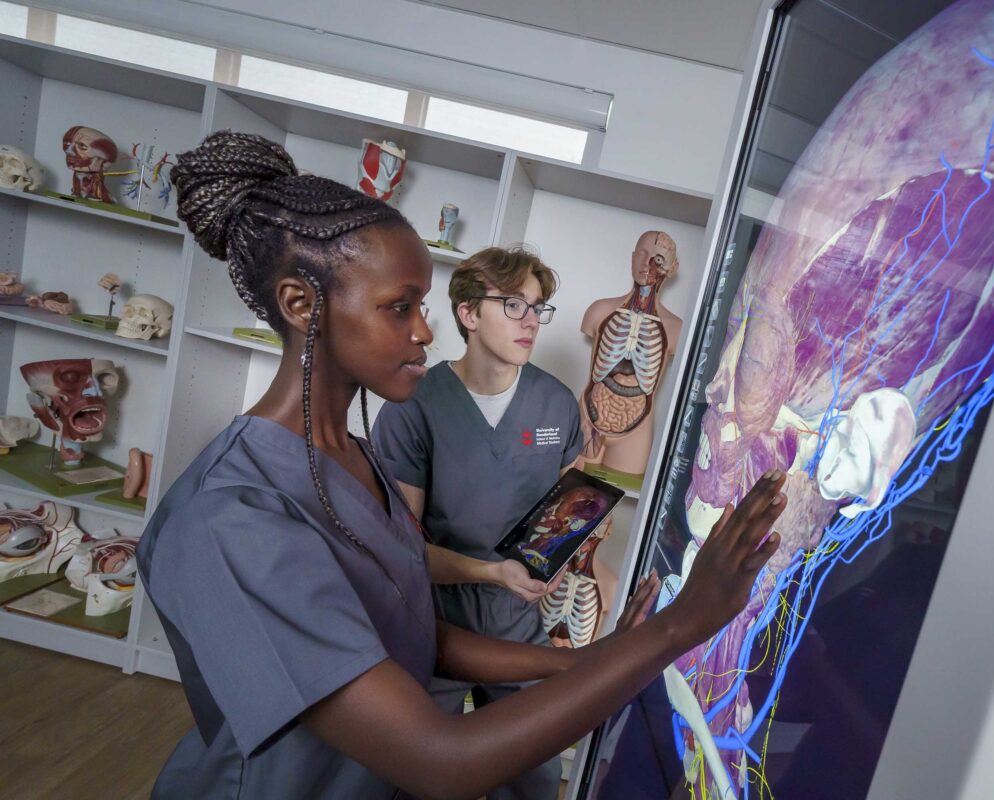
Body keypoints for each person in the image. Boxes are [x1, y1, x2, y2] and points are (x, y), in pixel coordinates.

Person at [136, 131, 786, 800]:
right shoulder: (231, 518)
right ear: (304, 305)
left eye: (421, 305)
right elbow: (439, 760)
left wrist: (589, 658)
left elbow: (415, 635)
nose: (424, 330)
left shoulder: (352, 459)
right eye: (399, 308)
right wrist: (683, 624)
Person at [371, 246, 588, 799]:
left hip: (517, 619)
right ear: (468, 314)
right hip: (434, 623)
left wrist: (565, 556)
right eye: (514, 305)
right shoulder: (414, 406)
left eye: (538, 308)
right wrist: (492, 573)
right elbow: (399, 550)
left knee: (533, 776)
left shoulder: (556, 404)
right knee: (412, 774)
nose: (532, 321)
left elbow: (568, 517)